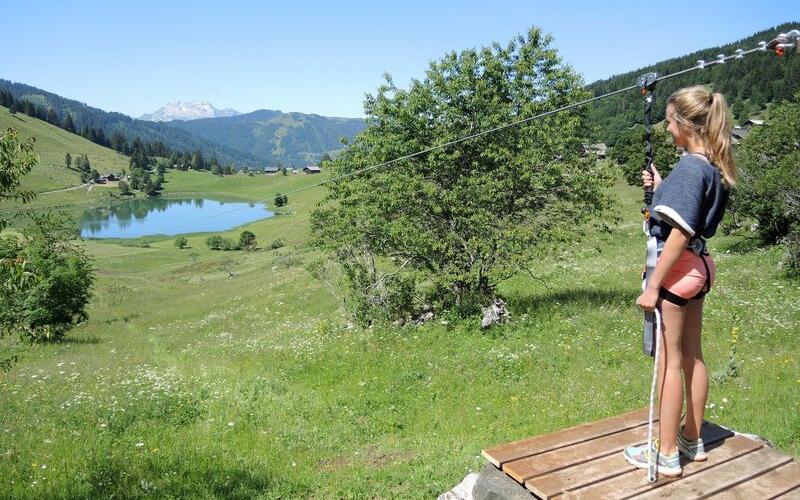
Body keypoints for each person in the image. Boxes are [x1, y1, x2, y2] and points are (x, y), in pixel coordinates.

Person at [622, 85, 736, 477]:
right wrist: (659, 185)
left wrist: (654, 285)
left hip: (678, 269)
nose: (667, 128)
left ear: (687, 124)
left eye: (670, 121)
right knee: (692, 354)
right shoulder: (710, 166)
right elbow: (686, 210)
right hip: (700, 268)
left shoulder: (690, 168)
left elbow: (679, 231)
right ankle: (691, 438)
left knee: (669, 363)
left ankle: (667, 453)